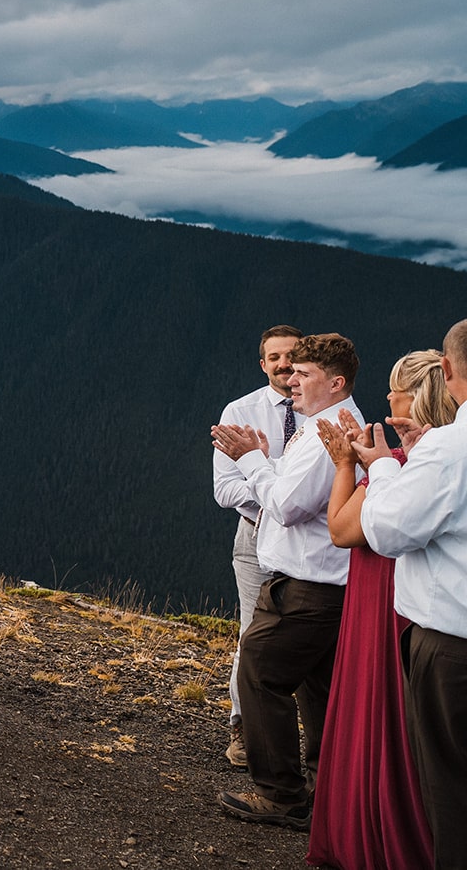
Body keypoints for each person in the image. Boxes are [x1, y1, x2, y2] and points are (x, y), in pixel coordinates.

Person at [210, 333, 362, 829]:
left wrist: (251, 461)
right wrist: (264, 462)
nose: (291, 379)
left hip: (307, 588)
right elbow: (287, 487)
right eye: (290, 370)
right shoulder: (322, 426)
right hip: (318, 585)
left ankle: (281, 795)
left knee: (259, 676)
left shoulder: (329, 433)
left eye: (305, 373)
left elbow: (287, 505)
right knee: (318, 690)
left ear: (335, 382)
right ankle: (324, 791)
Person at [308, 351, 449, 868]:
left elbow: (343, 529)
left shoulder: (402, 465)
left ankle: (375, 832)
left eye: (395, 388)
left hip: (383, 596)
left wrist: (349, 464)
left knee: (380, 711)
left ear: (416, 397)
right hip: (415, 602)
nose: (387, 398)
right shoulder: (436, 459)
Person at [357, 320, 467, 869]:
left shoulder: (448, 450)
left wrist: (381, 470)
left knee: (452, 795)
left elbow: (388, 531)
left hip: (453, 648)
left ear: (447, 372)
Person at [212, 324, 302, 768]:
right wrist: (278, 497)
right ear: (262, 363)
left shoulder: (321, 408)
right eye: (275, 357)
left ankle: (311, 734)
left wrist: (265, 473)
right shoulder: (240, 411)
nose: (285, 364)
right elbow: (225, 490)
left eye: (292, 355)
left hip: (312, 540)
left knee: (313, 634)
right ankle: (244, 729)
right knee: (253, 633)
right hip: (256, 534)